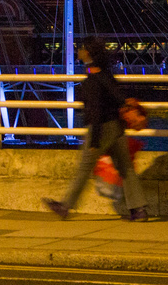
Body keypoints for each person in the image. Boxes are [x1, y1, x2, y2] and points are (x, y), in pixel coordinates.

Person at [44, 36, 148, 221]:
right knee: (126, 168)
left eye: (81, 48)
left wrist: (94, 141)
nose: (78, 51)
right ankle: (138, 210)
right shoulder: (105, 73)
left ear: (88, 53)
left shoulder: (92, 78)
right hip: (116, 126)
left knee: (84, 168)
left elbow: (95, 110)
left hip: (100, 128)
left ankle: (65, 206)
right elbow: (118, 97)